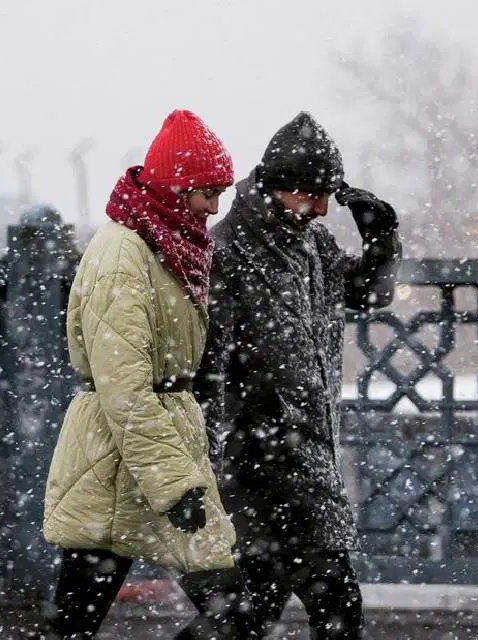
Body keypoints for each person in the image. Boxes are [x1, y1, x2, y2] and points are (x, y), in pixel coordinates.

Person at [40, 110, 256, 639]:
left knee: (230, 613)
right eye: (206, 192)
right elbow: (125, 389)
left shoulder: (163, 244)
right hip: (124, 459)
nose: (214, 207)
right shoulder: (123, 256)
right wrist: (173, 482)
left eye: (220, 192)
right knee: (230, 613)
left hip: (145, 449)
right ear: (175, 187)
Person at [195, 111, 401, 639]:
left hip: (302, 450)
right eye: (311, 195)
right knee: (336, 602)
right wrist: (206, 464)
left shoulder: (311, 246)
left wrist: (381, 239)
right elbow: (208, 369)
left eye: (327, 196)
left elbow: (367, 294)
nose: (321, 209)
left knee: (247, 612)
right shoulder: (229, 252)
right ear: (275, 187)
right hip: (258, 460)